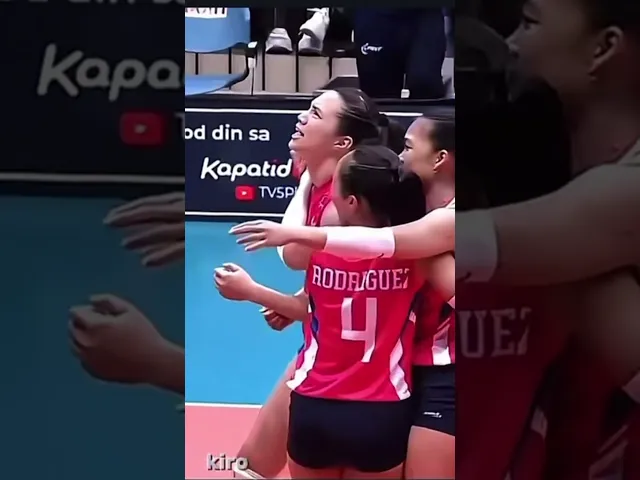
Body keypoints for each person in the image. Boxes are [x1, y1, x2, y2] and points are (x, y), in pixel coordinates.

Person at [219, 144, 446, 479]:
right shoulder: (417, 257)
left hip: (314, 406)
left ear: (351, 202)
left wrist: (250, 291)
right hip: (381, 411)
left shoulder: (321, 254)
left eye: (334, 185)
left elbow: (308, 309)